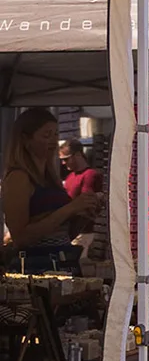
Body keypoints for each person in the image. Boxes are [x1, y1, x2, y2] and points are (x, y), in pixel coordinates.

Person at [3, 109, 98, 274]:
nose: (54, 141)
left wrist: (83, 215)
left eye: (55, 134)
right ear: (26, 140)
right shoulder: (18, 178)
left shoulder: (51, 178)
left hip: (63, 264)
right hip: (36, 270)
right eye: (46, 135)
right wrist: (70, 208)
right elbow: (21, 237)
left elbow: (63, 234)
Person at [58, 139, 104, 257]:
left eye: (66, 159)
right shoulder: (70, 177)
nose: (63, 163)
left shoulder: (90, 175)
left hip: (84, 234)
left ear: (78, 155)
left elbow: (87, 207)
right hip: (69, 233)